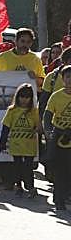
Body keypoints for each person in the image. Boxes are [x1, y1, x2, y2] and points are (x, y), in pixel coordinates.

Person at [0, 84, 40, 198]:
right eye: (22, 97)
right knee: (16, 166)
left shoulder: (34, 112)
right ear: (17, 97)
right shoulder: (12, 111)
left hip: (29, 145)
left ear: (31, 98)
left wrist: (38, 129)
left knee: (28, 167)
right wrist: (2, 142)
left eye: (27, 97)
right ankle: (19, 186)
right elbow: (6, 127)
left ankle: (30, 187)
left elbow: (39, 127)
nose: (24, 100)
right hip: (16, 144)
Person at [43, 65, 71, 211]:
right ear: (63, 79)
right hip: (58, 134)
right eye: (68, 77)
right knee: (59, 169)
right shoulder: (56, 96)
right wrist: (48, 131)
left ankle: (66, 195)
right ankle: (58, 199)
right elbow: (47, 115)